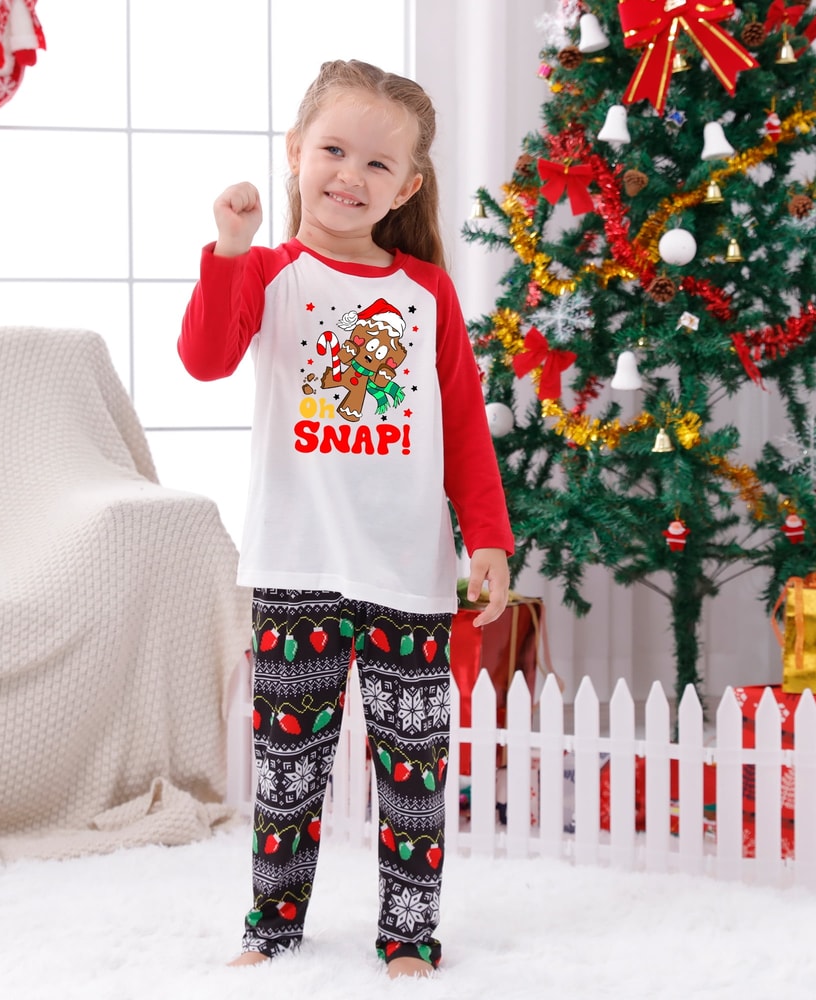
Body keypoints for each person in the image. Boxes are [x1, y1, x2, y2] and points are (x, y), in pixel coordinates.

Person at [178, 59, 513, 980]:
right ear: (295, 152)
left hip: (408, 572)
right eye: (332, 150)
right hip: (295, 567)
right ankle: (272, 928)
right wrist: (229, 247)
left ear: (406, 187)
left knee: (414, 771)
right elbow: (205, 358)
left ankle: (409, 935)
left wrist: (488, 537)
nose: (349, 176)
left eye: (376, 163)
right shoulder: (269, 273)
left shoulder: (427, 292)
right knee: (288, 770)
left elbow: (462, 424)